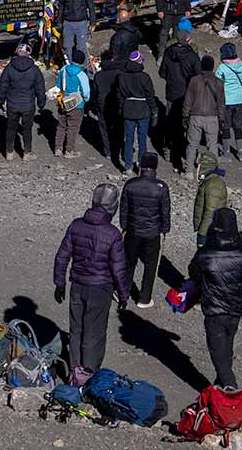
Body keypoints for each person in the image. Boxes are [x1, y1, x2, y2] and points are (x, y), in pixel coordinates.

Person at [53, 182, 130, 385]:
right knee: (94, 334)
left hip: (77, 285)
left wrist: (60, 283)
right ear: (112, 207)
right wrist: (123, 295)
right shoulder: (112, 234)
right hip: (100, 289)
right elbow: (119, 269)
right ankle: (88, 375)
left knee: (76, 330)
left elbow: (62, 257)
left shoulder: (76, 225)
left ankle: (74, 371)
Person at [189, 207, 242, 390]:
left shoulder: (205, 255)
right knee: (226, 346)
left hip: (214, 309)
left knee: (217, 350)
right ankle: (221, 383)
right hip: (235, 308)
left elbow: (193, 273)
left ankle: (229, 389)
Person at [120, 153, 171, 306]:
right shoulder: (161, 187)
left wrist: (124, 226)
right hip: (152, 233)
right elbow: (165, 212)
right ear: (155, 167)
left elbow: (124, 209)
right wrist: (165, 230)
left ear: (141, 166)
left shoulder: (130, 184)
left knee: (128, 263)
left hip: (133, 230)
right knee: (151, 266)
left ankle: (123, 294)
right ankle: (144, 298)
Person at [0, 41, 46, 159]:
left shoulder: (9, 68)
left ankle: (9, 152)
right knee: (27, 129)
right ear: (29, 53)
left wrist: (0, 100)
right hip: (28, 105)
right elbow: (40, 87)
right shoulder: (34, 69)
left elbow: (3, 85)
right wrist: (41, 103)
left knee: (11, 128)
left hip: (12, 104)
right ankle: (27, 152)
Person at [158, 27, 200, 166]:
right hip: (188, 94)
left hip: (171, 92)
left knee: (170, 122)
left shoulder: (169, 52)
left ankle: (168, 150)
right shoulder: (192, 56)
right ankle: (186, 152)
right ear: (188, 39)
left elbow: (162, 73)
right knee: (187, 124)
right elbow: (198, 76)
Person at [116, 50, 157, 171]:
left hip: (128, 109)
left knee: (128, 139)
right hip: (143, 109)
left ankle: (128, 166)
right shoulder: (144, 77)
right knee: (142, 139)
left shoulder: (122, 76)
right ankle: (141, 166)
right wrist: (154, 110)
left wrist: (121, 108)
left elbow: (120, 95)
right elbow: (150, 95)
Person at [184, 55, 224, 173]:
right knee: (212, 145)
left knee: (192, 144)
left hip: (195, 115)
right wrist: (222, 119)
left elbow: (188, 100)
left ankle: (189, 171)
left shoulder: (194, 80)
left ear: (201, 66)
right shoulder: (219, 82)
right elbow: (221, 104)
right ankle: (211, 171)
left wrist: (185, 115)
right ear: (213, 67)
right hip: (212, 116)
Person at [54, 48, 92, 158]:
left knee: (61, 126)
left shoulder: (63, 69)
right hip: (77, 104)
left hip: (63, 101)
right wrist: (85, 99)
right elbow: (86, 92)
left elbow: (59, 85)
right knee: (73, 128)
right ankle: (69, 151)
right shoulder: (81, 75)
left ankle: (58, 148)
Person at [217, 43, 242, 162]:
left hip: (226, 101)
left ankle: (226, 154)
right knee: (238, 126)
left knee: (225, 127)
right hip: (239, 100)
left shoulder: (222, 68)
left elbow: (218, 84)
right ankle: (241, 153)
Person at [55, 0, 95, 64]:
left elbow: (91, 7)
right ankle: (71, 68)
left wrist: (93, 22)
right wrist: (59, 22)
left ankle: (83, 69)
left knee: (81, 47)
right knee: (67, 46)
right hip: (68, 23)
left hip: (81, 23)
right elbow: (61, 7)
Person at [192, 149, 227, 246]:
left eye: (198, 166)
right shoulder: (209, 181)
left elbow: (211, 211)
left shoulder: (213, 184)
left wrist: (202, 234)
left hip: (210, 232)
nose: (197, 169)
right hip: (209, 230)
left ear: (204, 167)